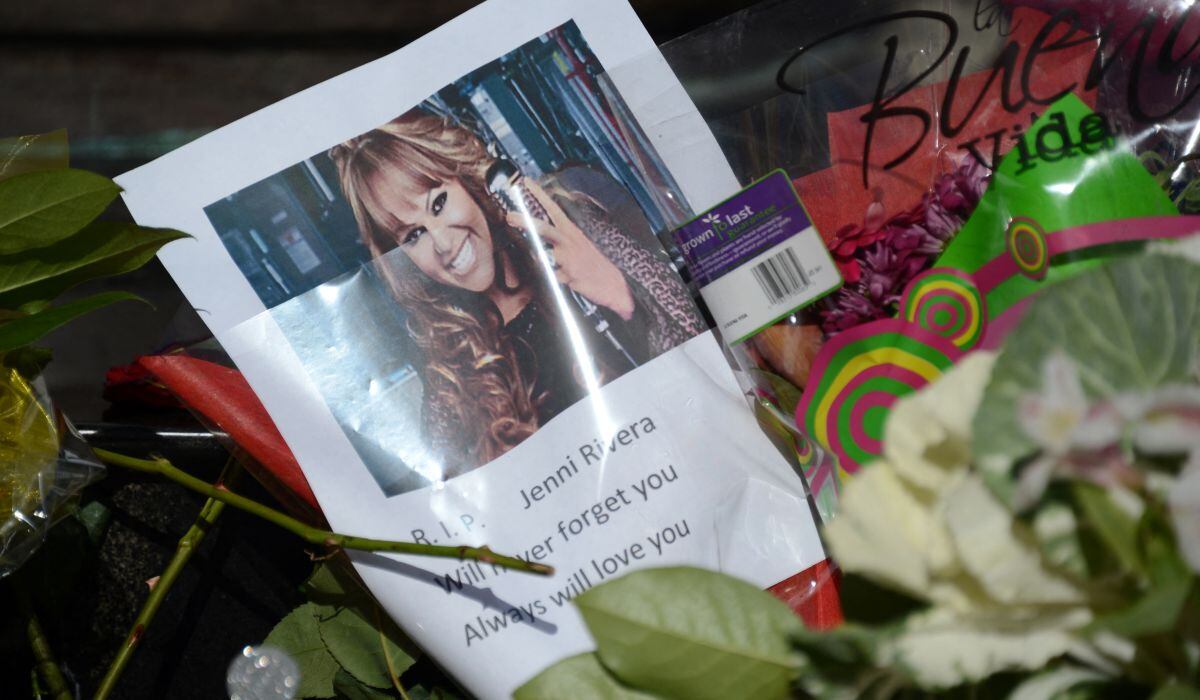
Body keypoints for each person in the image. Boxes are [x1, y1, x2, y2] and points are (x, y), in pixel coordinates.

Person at [330, 110, 704, 477]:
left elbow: (708, 369)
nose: (443, 243)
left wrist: (618, 294)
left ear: (469, 182)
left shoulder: (575, 226)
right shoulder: (448, 364)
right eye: (413, 236)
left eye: (440, 204)